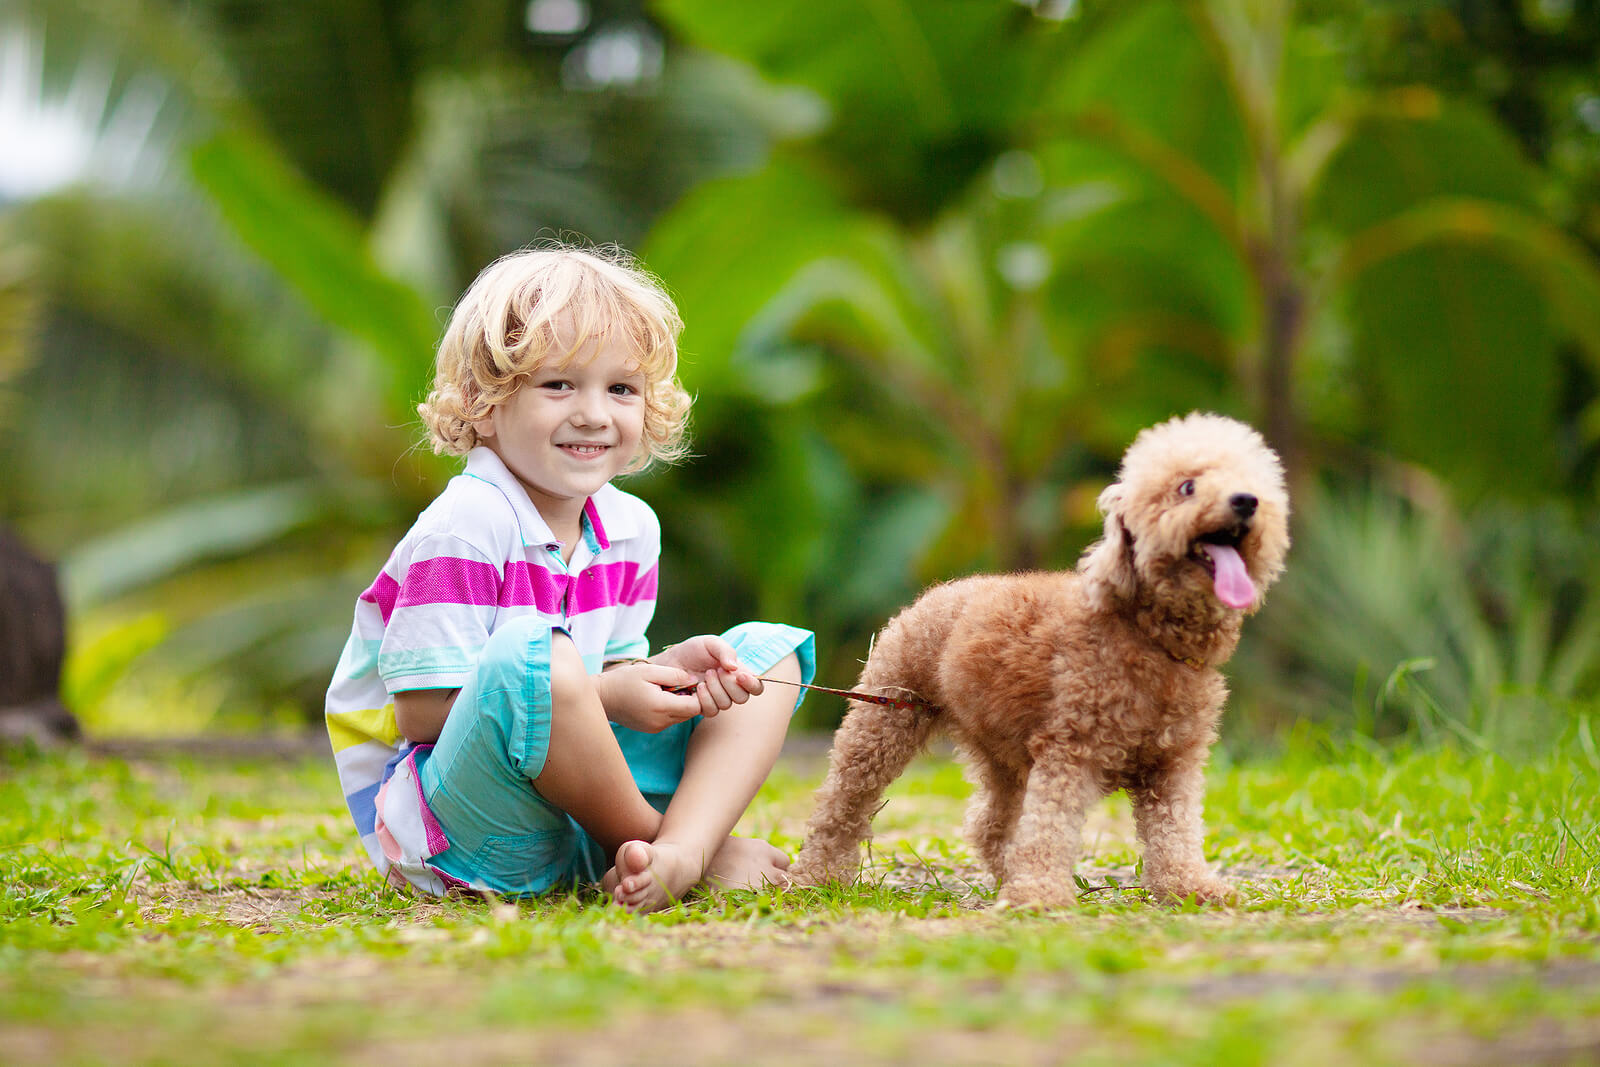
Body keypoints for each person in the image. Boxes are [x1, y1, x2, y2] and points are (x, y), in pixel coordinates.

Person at [324, 245, 814, 912]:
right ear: (484, 403)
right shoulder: (465, 523)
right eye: (558, 384)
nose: (593, 413)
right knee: (534, 651)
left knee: (769, 650)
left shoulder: (631, 527)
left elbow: (606, 691)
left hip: (576, 815)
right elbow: (422, 712)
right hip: (467, 830)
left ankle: (680, 846)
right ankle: (669, 848)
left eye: (621, 389)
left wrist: (673, 671)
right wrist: (605, 690)